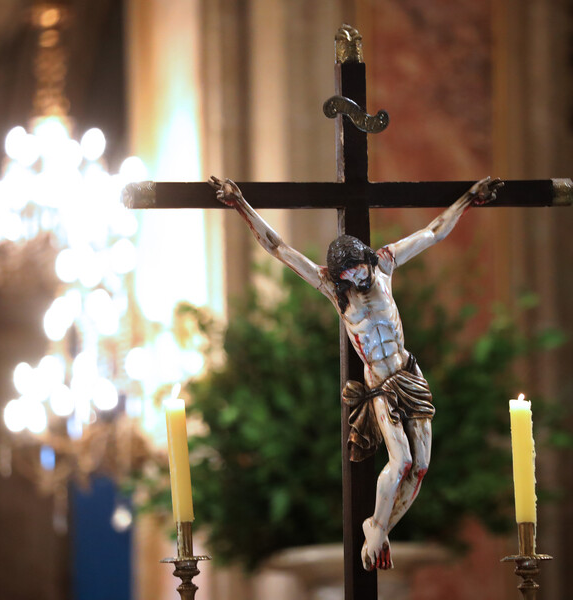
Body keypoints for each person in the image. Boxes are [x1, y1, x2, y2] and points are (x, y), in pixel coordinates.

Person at [209, 175, 504, 571]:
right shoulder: (334, 290)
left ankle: (379, 529)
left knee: (420, 468)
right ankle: (377, 528)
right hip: (380, 385)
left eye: (360, 271)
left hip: (409, 372)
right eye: (349, 276)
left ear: (366, 259)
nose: (358, 280)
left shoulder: (385, 263)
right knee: (400, 461)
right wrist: (241, 205)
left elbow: (432, 232)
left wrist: (468, 199)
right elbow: (279, 248)